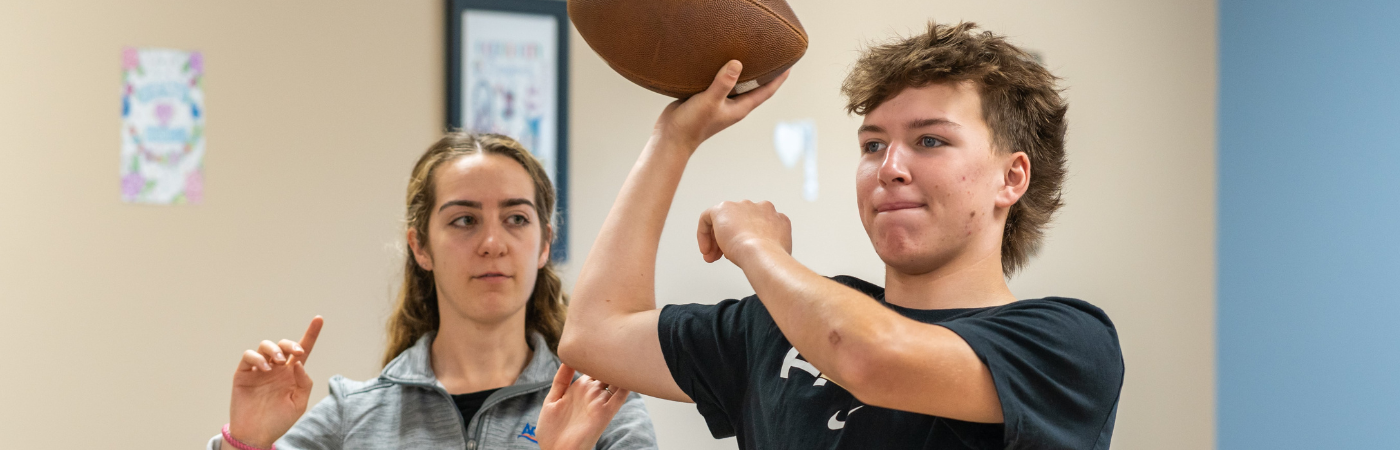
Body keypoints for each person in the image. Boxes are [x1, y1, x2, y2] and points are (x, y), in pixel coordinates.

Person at [556, 22, 1125, 449]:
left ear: (1012, 177)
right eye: (873, 144)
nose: (890, 167)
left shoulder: (1064, 344)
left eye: (930, 141)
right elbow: (593, 334)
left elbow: (869, 358)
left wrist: (757, 248)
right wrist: (673, 139)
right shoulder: (778, 326)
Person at [209, 132, 657, 450]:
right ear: (420, 246)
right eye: (464, 220)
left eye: (516, 218)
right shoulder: (354, 412)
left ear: (544, 243)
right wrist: (245, 441)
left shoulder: (598, 403)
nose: (492, 243)